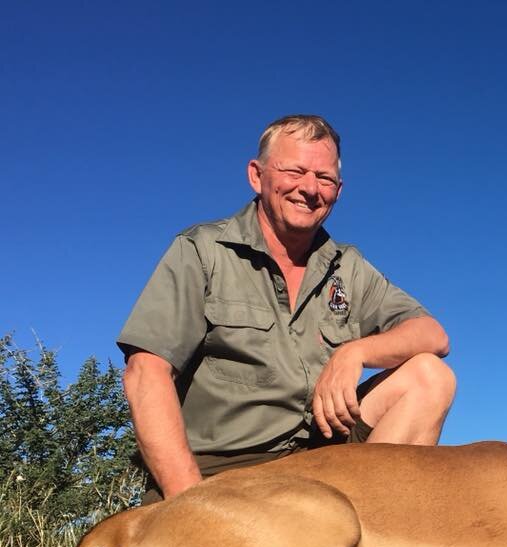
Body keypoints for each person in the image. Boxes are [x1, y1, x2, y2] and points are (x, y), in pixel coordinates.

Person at [118, 114, 455, 503]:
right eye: (294, 170)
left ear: (338, 190)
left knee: (430, 377)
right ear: (256, 176)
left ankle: (366, 540)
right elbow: (145, 374)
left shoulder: (347, 267)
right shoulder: (201, 250)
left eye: (324, 178)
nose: (309, 188)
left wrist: (355, 352)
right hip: (220, 474)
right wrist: (188, 504)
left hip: (317, 466)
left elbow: (433, 335)